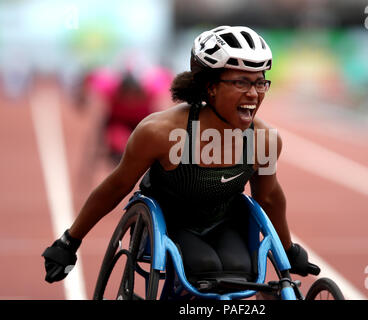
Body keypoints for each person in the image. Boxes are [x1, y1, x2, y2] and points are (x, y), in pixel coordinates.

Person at [42, 26, 318, 287]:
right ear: (210, 86)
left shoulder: (265, 139)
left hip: (223, 222)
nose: (254, 94)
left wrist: (288, 249)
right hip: (170, 223)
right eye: (241, 82)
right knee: (205, 268)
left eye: (260, 83)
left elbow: (268, 196)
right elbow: (117, 185)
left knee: (242, 272)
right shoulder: (160, 132)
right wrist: (69, 241)